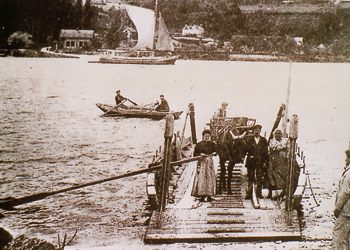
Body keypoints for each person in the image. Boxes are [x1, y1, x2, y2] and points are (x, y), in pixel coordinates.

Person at [191, 129, 217, 202]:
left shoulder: (212, 144)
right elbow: (194, 154)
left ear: (210, 136)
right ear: (203, 137)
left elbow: (216, 151)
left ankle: (209, 196)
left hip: (209, 162)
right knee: (201, 179)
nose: (207, 137)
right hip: (202, 162)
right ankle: (201, 196)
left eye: (208, 136)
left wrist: (215, 153)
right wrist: (200, 154)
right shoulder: (199, 144)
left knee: (209, 178)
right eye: (205, 136)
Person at [244, 124, 269, 199]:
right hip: (251, 161)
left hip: (260, 161)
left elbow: (265, 152)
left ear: (260, 131)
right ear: (253, 131)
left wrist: (265, 162)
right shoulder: (249, 140)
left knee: (260, 177)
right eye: (255, 130)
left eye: (258, 130)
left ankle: (259, 193)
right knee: (250, 177)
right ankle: (249, 193)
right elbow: (245, 150)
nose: (257, 132)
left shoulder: (263, 140)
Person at [333, 149, 350, 250]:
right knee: (347, 237)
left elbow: (344, 193)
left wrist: (338, 208)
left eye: (347, 158)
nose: (345, 160)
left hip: (346, 210)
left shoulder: (348, 174)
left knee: (338, 234)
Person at [267, 128, 289, 199]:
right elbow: (275, 148)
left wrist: (282, 148)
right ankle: (272, 193)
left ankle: (283, 193)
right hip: (274, 160)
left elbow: (288, 148)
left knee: (283, 176)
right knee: (272, 176)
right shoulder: (272, 141)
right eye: (276, 134)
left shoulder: (285, 140)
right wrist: (283, 148)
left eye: (279, 134)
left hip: (283, 161)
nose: (278, 135)